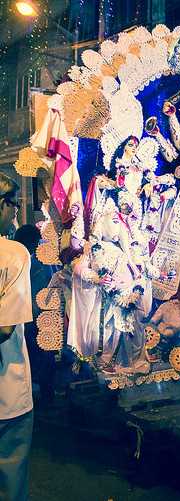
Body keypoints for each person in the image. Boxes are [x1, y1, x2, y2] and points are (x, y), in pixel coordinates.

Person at [0, 173, 34, 501]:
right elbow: (5, 328)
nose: (15, 214)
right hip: (7, 393)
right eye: (13, 206)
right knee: (10, 478)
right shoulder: (14, 254)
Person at [13, 224, 56, 404]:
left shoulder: (38, 263)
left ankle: (44, 394)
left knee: (41, 357)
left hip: (37, 318)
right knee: (40, 357)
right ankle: (43, 393)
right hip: (34, 317)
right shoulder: (38, 262)